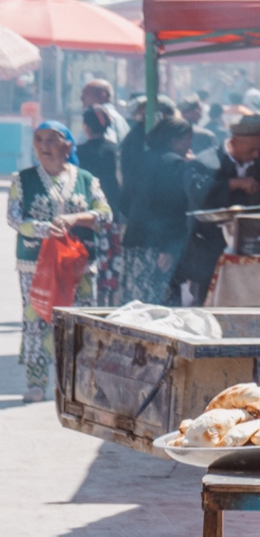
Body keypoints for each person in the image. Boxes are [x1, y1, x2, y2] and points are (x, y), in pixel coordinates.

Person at [9, 121, 112, 403]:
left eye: (52, 140)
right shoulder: (23, 179)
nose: (44, 145)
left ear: (68, 146)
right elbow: (14, 217)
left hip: (78, 263)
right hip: (36, 263)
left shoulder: (86, 179)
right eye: (39, 139)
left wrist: (75, 219)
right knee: (37, 317)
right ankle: (37, 382)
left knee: (80, 319)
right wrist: (43, 228)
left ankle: (79, 383)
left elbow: (105, 213)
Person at [180, 114, 260, 300]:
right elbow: (197, 194)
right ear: (234, 142)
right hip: (211, 250)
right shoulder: (206, 163)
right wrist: (234, 184)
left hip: (254, 251)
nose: (257, 154)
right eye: (252, 150)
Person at [121, 116, 196, 305]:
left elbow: (124, 200)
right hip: (158, 247)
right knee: (156, 305)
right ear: (175, 140)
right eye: (187, 139)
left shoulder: (140, 159)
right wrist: (168, 248)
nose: (189, 144)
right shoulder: (175, 165)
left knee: (134, 301)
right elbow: (174, 208)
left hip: (134, 242)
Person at [79, 78, 128, 146]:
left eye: (86, 93)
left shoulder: (103, 116)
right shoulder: (119, 118)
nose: (82, 98)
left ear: (103, 95)